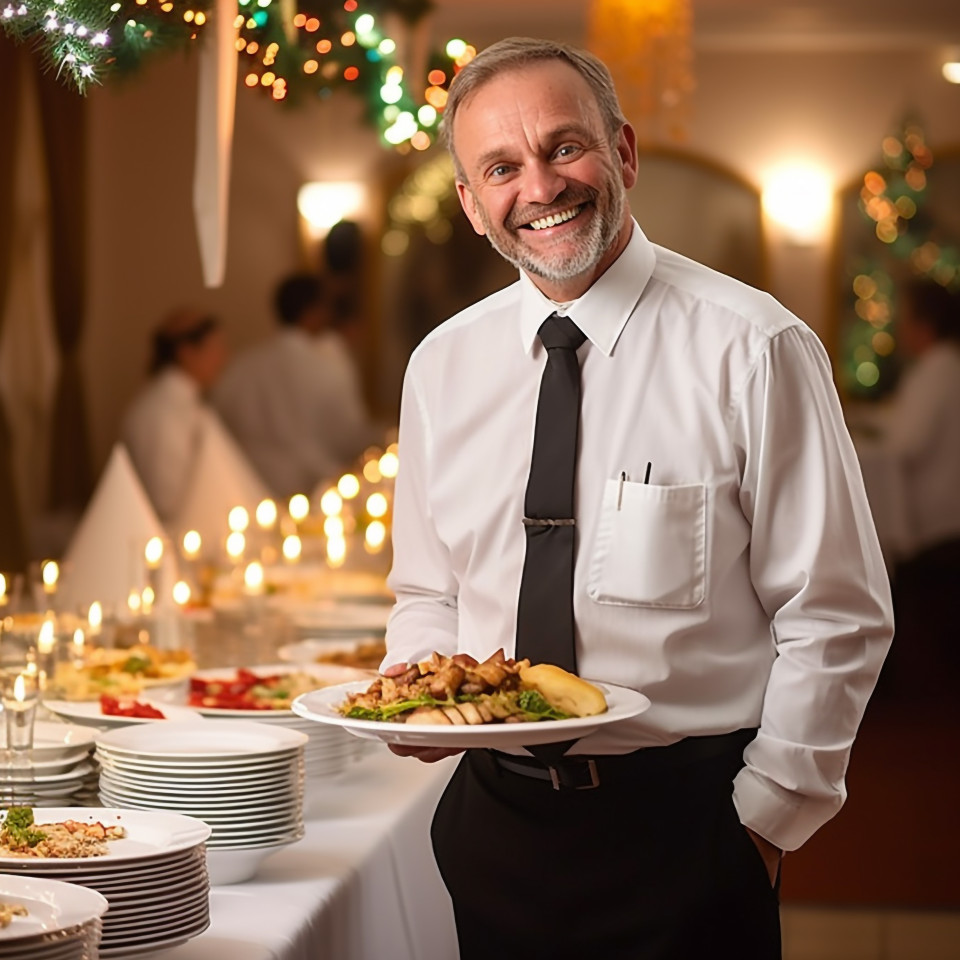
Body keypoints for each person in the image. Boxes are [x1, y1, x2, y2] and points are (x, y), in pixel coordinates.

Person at [381, 37, 893, 960]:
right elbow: (429, 590)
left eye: (563, 148)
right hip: (490, 827)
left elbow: (836, 613)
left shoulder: (755, 346)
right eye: (501, 167)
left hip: (685, 836)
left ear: (621, 153)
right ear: (470, 203)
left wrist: (764, 823)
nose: (538, 187)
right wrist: (414, 693)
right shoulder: (440, 366)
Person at [212, 272, 380, 498]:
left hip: (251, 488)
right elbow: (347, 434)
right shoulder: (328, 367)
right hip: (313, 488)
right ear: (314, 312)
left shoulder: (242, 367)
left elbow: (222, 424)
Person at [881, 279, 960, 690]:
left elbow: (905, 445)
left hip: (939, 518)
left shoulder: (936, 372)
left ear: (923, 323)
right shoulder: (946, 367)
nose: (899, 326)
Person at [120, 307, 226, 523]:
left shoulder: (185, 404)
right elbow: (166, 500)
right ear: (186, 352)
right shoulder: (162, 411)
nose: (222, 358)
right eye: (214, 349)